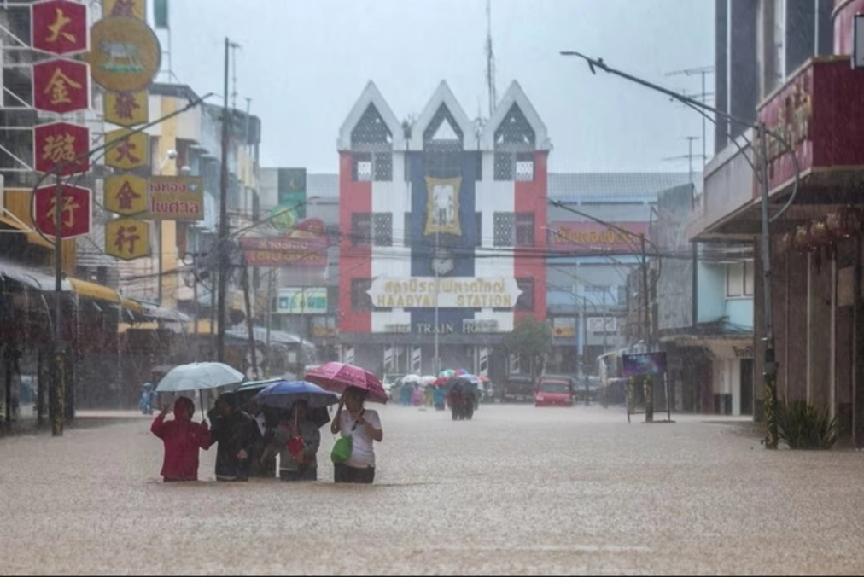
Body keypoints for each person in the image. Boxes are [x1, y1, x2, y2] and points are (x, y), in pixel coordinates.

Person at [150, 397, 211, 482]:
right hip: (186, 475)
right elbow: (206, 444)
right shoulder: (194, 428)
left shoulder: (170, 426)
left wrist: (162, 414)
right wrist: (204, 431)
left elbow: (155, 428)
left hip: (174, 474)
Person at [329, 387, 383, 484]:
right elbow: (333, 430)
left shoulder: (371, 415)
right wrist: (339, 408)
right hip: (343, 464)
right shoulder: (343, 414)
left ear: (359, 400)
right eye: (345, 400)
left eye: (349, 400)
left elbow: (379, 437)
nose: (347, 404)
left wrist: (365, 423)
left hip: (365, 466)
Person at [207, 395, 261, 482]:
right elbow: (208, 442)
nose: (221, 408)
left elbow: (257, 441)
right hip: (223, 470)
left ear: (231, 405)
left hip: (241, 468)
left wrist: (247, 450)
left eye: (224, 405)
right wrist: (210, 421)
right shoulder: (220, 422)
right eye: (220, 406)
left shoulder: (247, 420)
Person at [269, 400, 321, 481]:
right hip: (288, 467)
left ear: (307, 410)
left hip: (308, 467)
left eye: (302, 410)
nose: (300, 412)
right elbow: (277, 445)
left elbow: (315, 446)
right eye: (297, 409)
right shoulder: (283, 425)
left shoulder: (312, 427)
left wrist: (303, 452)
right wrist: (289, 434)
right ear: (292, 410)